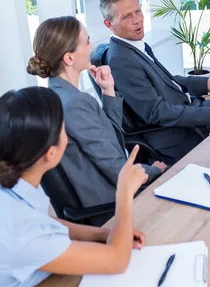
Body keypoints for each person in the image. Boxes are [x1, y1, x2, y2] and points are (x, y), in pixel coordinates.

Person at [0, 86, 148, 287]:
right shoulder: (20, 228)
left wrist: (101, 234)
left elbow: (44, 223)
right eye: (63, 128)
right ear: (51, 153)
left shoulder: (13, 188)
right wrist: (124, 192)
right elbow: (117, 260)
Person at [99, 0, 210, 164]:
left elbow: (163, 80)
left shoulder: (134, 46)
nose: (137, 20)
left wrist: (202, 83)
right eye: (126, 16)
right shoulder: (121, 60)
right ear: (109, 24)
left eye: (138, 11)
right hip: (180, 131)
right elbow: (156, 112)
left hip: (190, 109)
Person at [27, 16, 166, 211]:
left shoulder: (53, 96)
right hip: (110, 203)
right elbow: (116, 168)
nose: (92, 47)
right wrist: (154, 171)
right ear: (69, 58)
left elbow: (110, 140)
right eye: (87, 42)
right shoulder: (76, 103)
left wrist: (108, 91)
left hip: (98, 199)